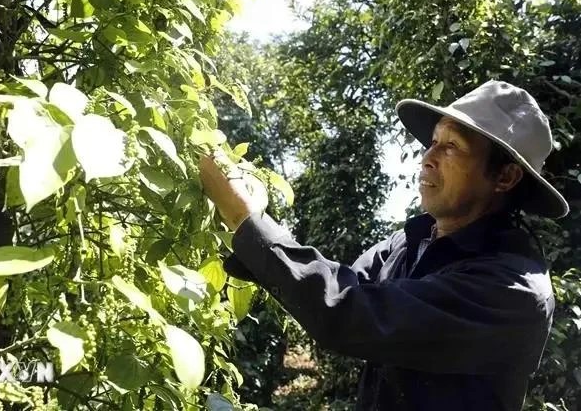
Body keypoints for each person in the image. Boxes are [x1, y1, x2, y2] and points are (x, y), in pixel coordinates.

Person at [198, 80, 569, 411]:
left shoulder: (511, 289)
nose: (428, 158)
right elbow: (338, 285)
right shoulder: (409, 243)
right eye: (433, 141)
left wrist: (247, 222)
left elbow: (346, 312)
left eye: (452, 146)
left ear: (505, 176)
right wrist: (244, 232)